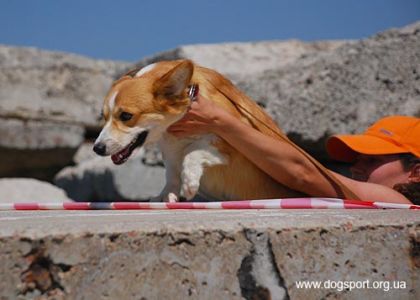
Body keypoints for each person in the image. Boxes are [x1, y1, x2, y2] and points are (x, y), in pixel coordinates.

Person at [167, 94, 419, 204]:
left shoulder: (397, 203)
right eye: (358, 158)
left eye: (372, 160)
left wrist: (220, 121)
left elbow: (303, 173)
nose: (356, 166)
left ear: (416, 172)